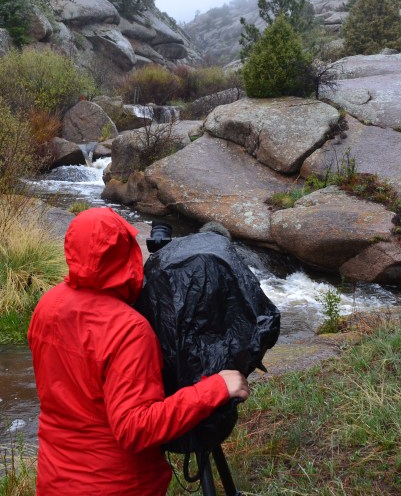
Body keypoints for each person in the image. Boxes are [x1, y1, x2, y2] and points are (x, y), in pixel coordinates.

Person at [28, 208, 250, 495]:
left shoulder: (48, 305)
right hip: (115, 484)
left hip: (55, 477)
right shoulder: (129, 330)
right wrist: (216, 387)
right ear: (126, 252)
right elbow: (135, 429)